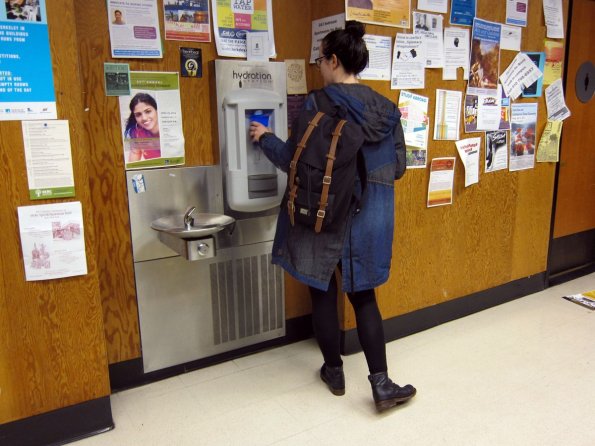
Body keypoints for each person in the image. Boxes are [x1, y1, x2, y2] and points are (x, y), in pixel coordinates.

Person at [249, 20, 416, 412]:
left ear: (335, 60)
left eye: (321, 59)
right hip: (370, 217)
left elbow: (295, 160)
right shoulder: (388, 109)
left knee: (322, 292)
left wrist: (264, 138)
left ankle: (334, 371)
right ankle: (381, 383)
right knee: (364, 298)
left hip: (323, 215)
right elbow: (398, 168)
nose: (319, 66)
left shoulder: (318, 103)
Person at [124, 92, 161, 161]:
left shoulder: (169, 128)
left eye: (148, 111)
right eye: (138, 114)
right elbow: (133, 164)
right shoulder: (137, 133)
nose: (144, 118)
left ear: (157, 110)